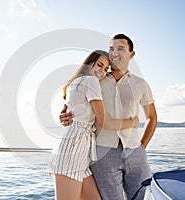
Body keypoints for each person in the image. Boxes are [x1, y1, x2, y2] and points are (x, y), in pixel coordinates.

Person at [59, 34, 157, 200]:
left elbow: (152, 118)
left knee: (143, 197)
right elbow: (76, 107)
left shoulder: (141, 84)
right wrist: (64, 117)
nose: (114, 52)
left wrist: (141, 147)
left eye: (120, 48)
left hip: (135, 152)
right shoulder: (96, 80)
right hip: (103, 154)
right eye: (111, 48)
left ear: (131, 54)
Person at [48, 50, 139, 200]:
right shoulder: (90, 81)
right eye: (99, 65)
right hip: (73, 148)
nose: (102, 71)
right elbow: (104, 122)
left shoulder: (80, 81)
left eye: (105, 69)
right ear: (90, 63)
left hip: (81, 151)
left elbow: (73, 113)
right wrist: (133, 122)